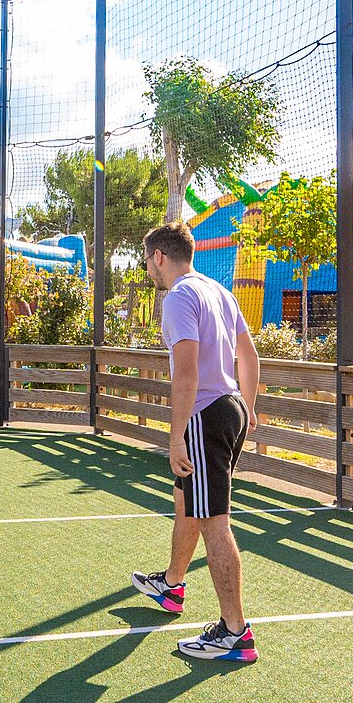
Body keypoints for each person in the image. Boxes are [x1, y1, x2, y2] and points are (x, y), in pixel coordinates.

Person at [130, 221, 260, 662]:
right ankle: (172, 585)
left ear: (160, 257)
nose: (149, 268)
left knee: (214, 523)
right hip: (230, 407)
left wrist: (175, 436)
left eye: (148, 260)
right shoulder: (219, 291)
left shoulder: (179, 297)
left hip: (204, 416)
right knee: (188, 499)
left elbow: (185, 372)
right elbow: (249, 355)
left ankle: (235, 632)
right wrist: (248, 405)